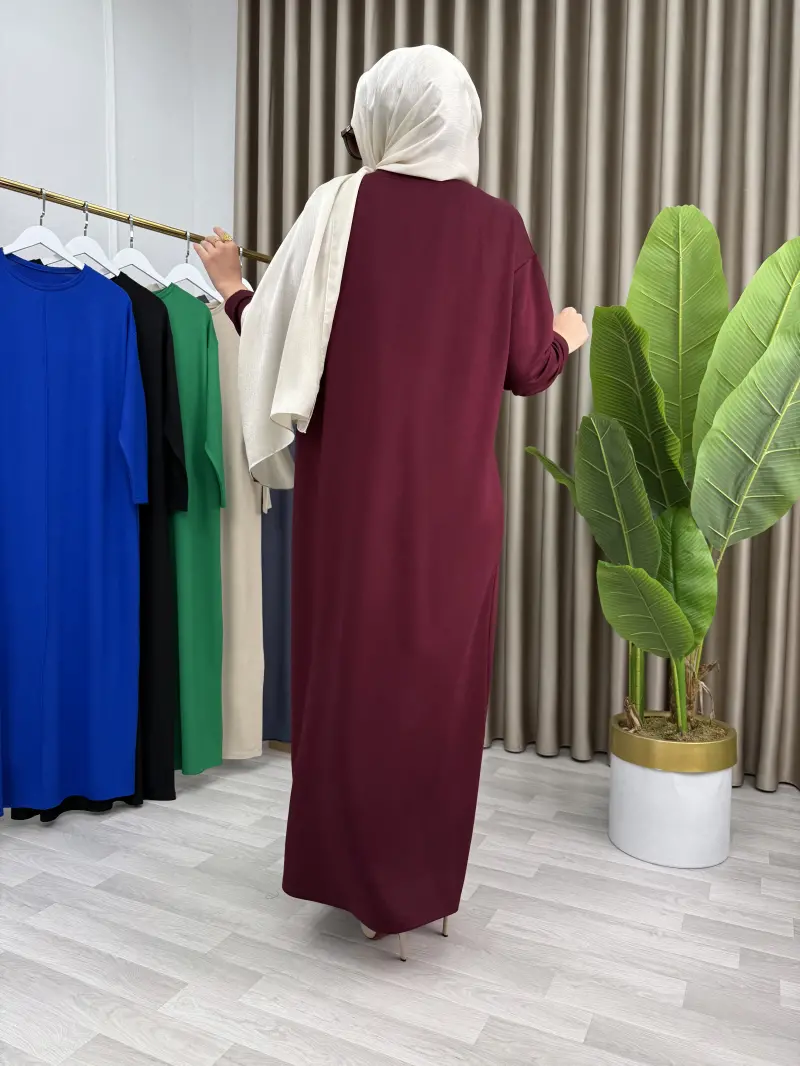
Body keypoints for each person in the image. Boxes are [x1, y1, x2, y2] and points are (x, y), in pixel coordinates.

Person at [197, 45, 587, 961]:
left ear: (380, 117)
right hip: (456, 514)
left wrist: (233, 288)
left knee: (351, 686)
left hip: (350, 507)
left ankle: (357, 883)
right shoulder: (499, 228)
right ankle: (421, 891)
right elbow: (527, 370)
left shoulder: (335, 209)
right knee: (436, 699)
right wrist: (567, 334)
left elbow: (282, 350)